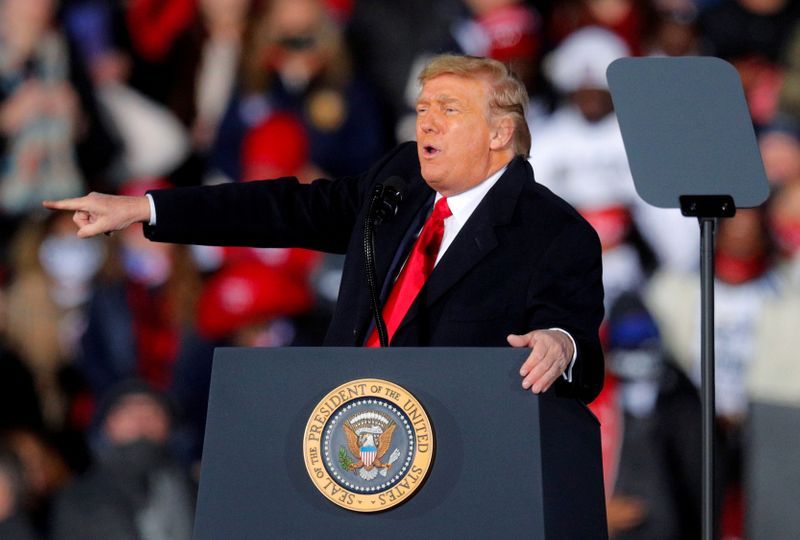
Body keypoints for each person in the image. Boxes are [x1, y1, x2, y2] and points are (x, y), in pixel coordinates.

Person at [44, 54, 605, 403]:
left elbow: (571, 335)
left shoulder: (553, 231)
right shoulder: (399, 178)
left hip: (458, 458)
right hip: (344, 435)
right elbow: (282, 208)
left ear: (500, 133)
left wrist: (559, 344)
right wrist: (147, 209)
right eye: (423, 106)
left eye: (449, 109)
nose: (426, 121)